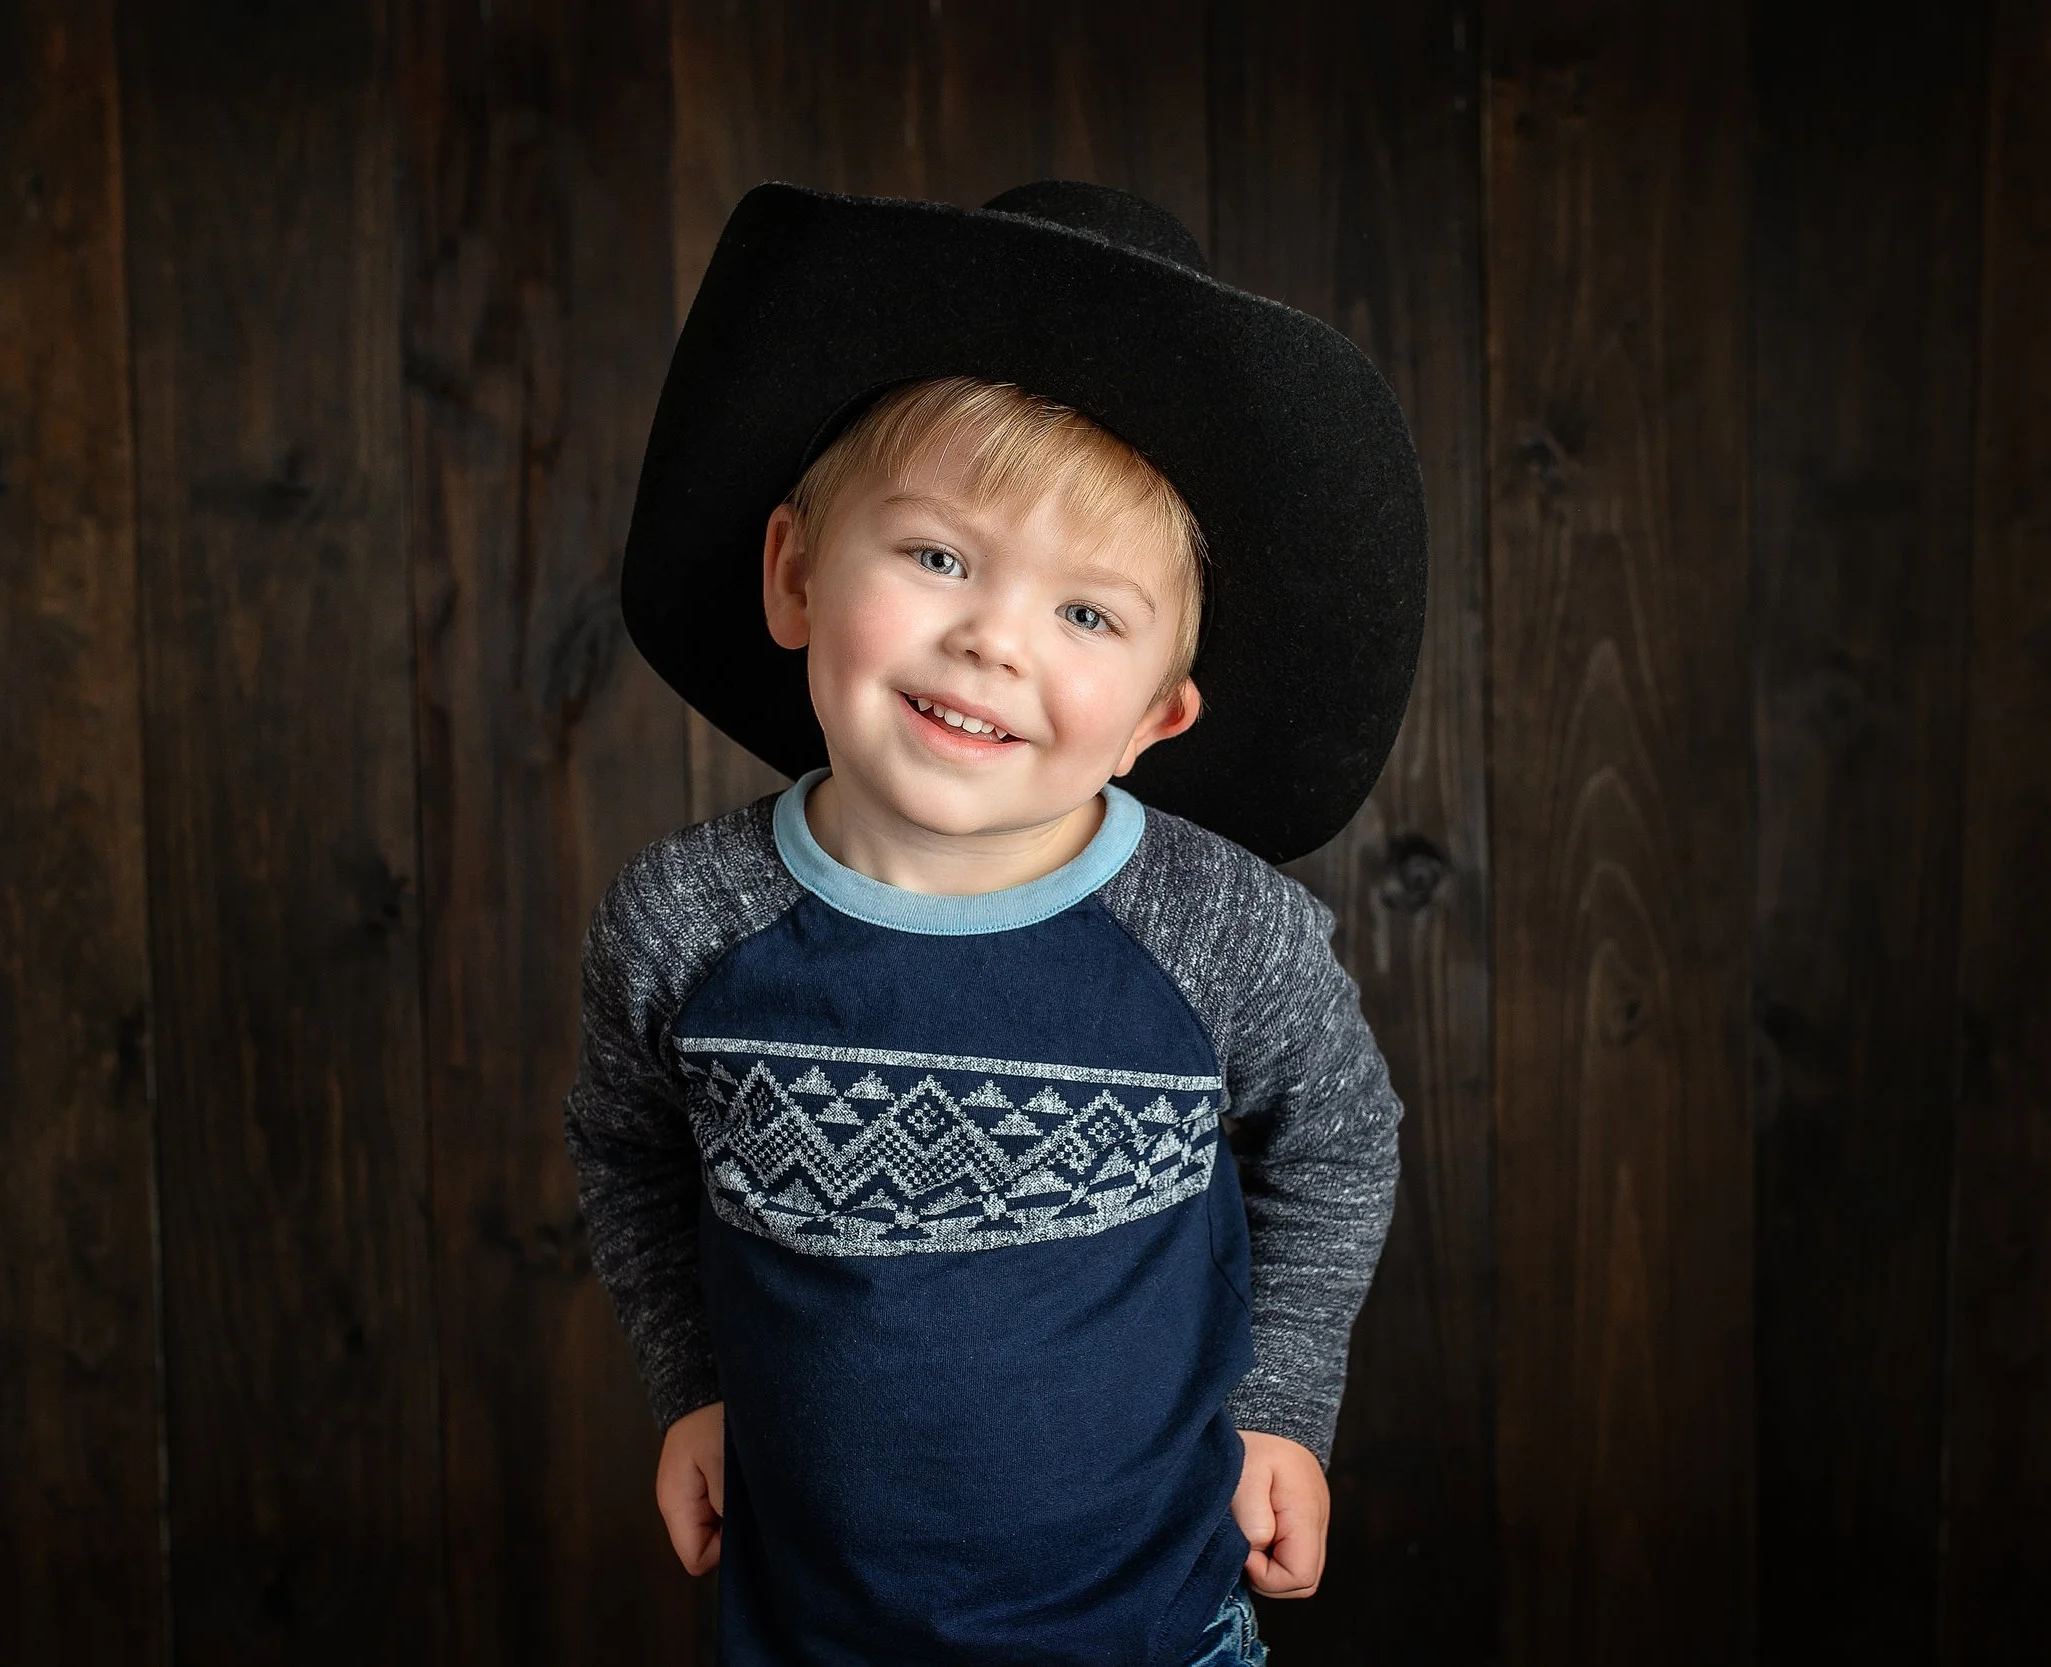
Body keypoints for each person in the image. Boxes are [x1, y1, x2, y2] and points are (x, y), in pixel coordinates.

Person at [564, 178, 1427, 1667]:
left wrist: (1284, 1399)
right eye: (940, 557)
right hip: (813, 1632)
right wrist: (693, 1383)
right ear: (794, 574)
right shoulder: (687, 926)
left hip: (1156, 1629)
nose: (992, 637)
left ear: (1159, 713)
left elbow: (1339, 1137)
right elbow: (628, 1147)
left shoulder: (1215, 933)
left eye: (1086, 613)